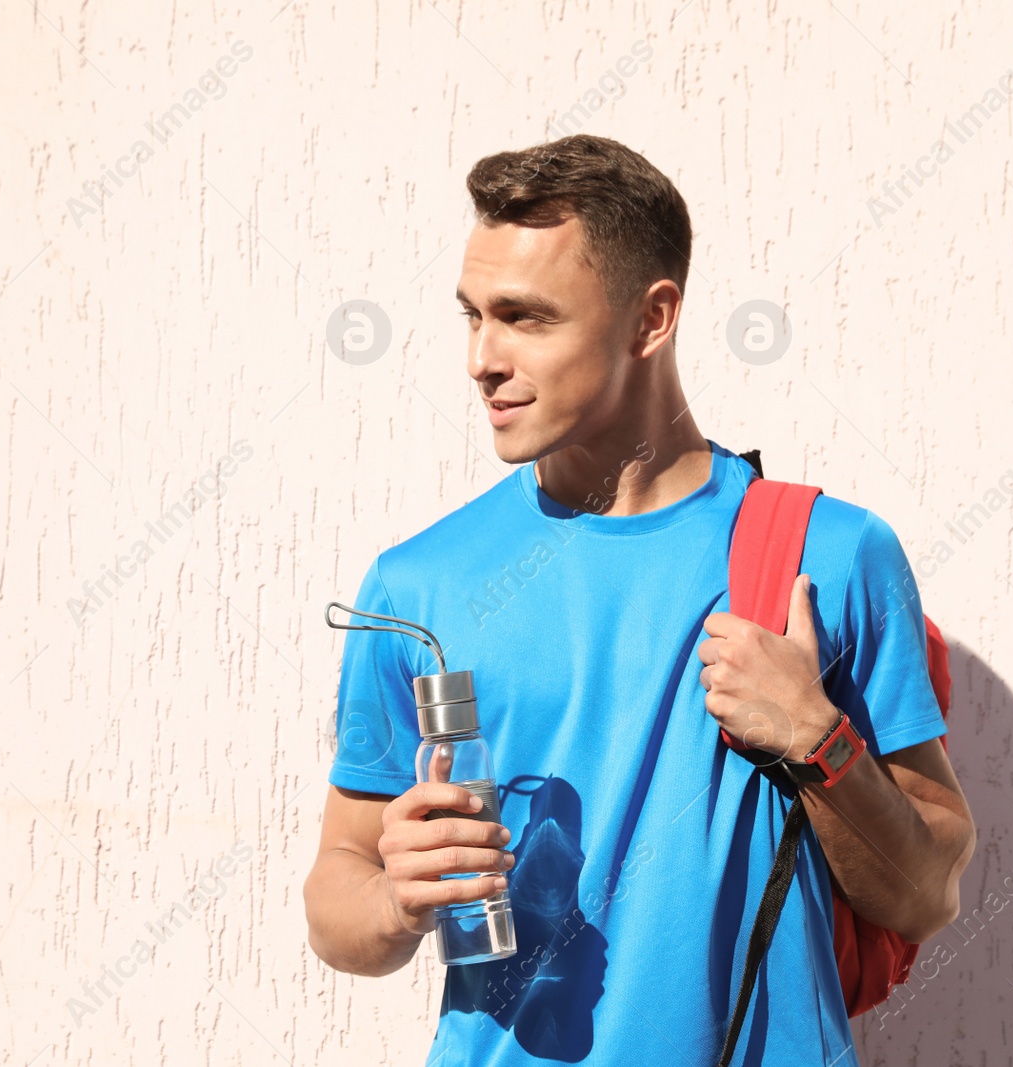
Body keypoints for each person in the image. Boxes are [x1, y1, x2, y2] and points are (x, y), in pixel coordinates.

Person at [303, 133, 976, 1066]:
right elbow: (337, 892)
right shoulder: (420, 584)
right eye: (473, 316)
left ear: (651, 319)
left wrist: (821, 743)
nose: (482, 359)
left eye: (527, 318)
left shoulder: (831, 556)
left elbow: (928, 890)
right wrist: (390, 898)